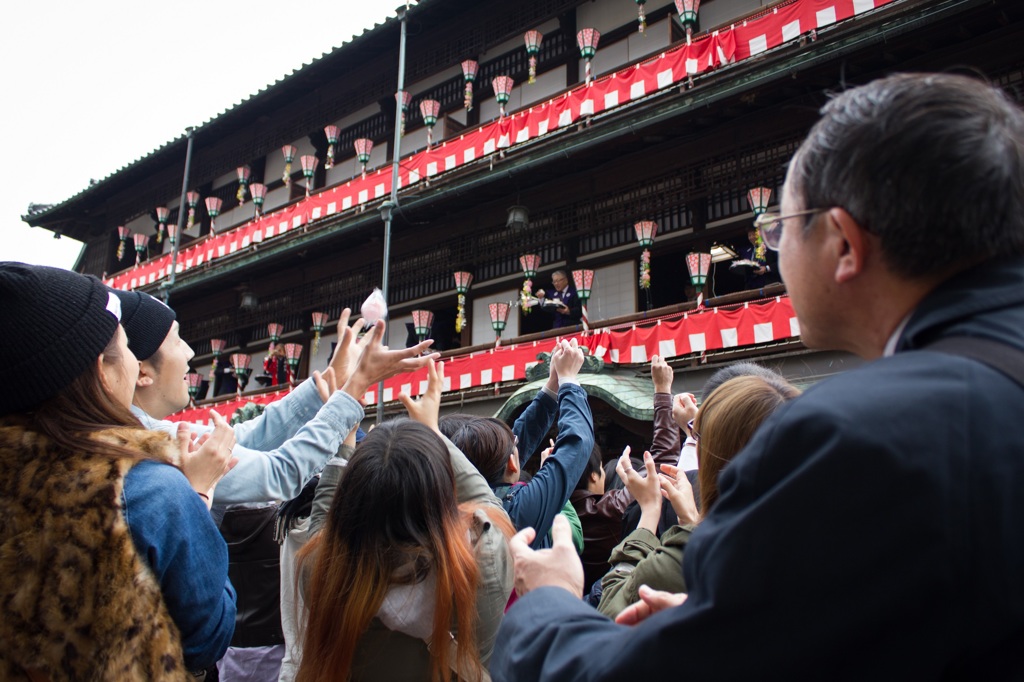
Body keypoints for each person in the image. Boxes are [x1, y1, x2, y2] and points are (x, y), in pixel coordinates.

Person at [489, 72, 1024, 678]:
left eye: (779, 230)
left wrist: (549, 602)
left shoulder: (841, 440)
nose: (773, 250)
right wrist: (727, 620)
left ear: (845, 245)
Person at [0, 263, 237, 679]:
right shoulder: (150, 491)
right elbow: (207, 637)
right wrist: (197, 497)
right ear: (101, 370)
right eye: (127, 347)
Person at [295, 359, 514, 682]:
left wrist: (344, 445)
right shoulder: (481, 565)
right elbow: (489, 505)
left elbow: (322, 526)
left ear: (350, 503)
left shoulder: (323, 569)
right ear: (441, 493)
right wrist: (432, 430)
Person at [112, 290, 393, 506]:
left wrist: (326, 383)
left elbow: (243, 439)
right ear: (142, 371)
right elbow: (278, 473)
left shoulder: (149, 434)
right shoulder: (151, 446)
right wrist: (351, 391)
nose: (189, 353)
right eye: (176, 340)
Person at [597, 374, 800, 618]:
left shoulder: (690, 558)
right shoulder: (819, 533)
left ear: (713, 456)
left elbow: (610, 611)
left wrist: (651, 510)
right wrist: (690, 521)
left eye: (698, 437)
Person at [439, 339, 595, 550]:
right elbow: (576, 443)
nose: (516, 440)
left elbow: (504, 447)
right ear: (512, 463)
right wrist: (569, 381)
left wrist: (553, 386)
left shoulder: (457, 503)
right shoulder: (517, 510)